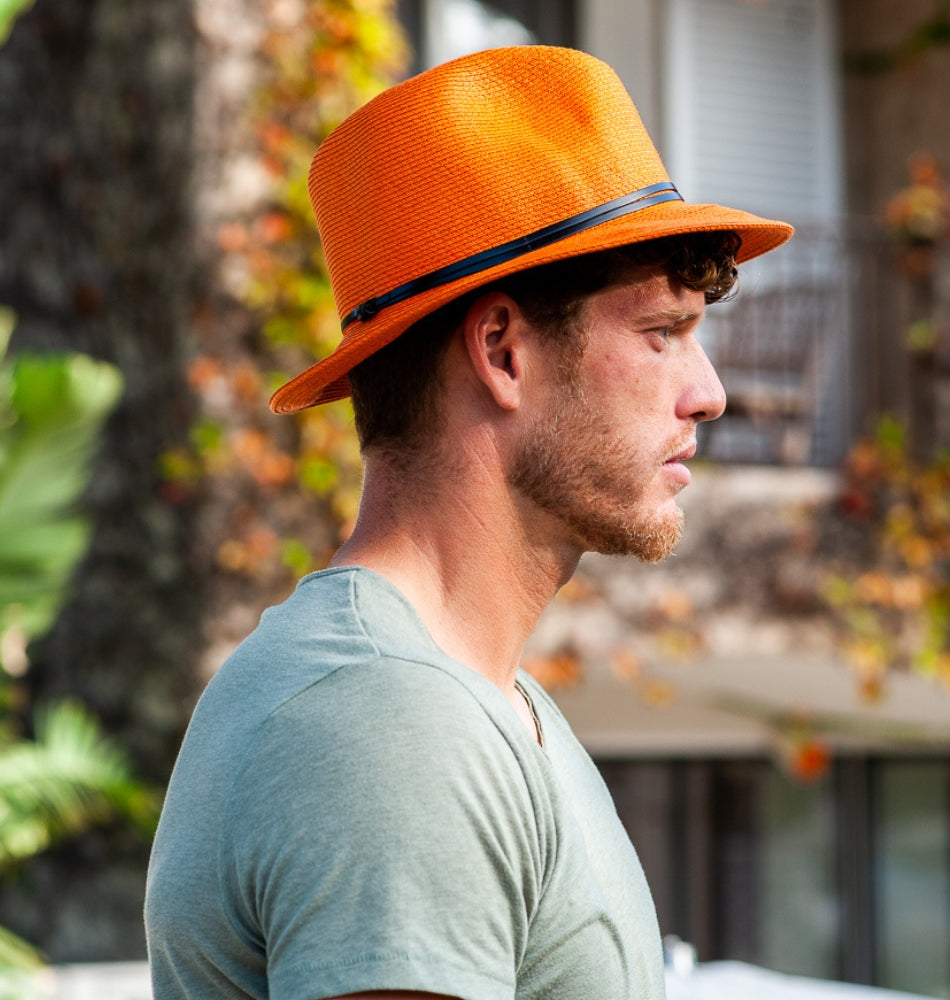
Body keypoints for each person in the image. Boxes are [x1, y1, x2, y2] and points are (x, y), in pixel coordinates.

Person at [144, 45, 791, 1000]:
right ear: (502, 351)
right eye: (662, 334)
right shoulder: (390, 724)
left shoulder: (474, 704)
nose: (709, 395)